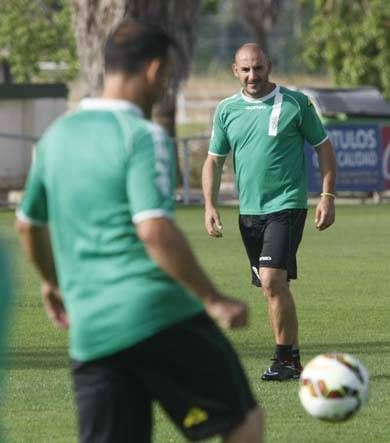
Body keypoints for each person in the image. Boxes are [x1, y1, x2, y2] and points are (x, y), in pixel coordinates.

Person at [16, 22, 263, 442]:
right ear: (154, 70)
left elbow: (28, 224)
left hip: (92, 331)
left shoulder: (55, 138)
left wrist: (52, 282)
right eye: (166, 77)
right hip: (156, 315)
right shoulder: (142, 137)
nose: (164, 87)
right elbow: (153, 230)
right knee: (242, 420)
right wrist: (213, 299)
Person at [202, 43, 337, 382]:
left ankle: (284, 360)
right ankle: (290, 358)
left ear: (269, 66)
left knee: (273, 279)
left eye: (258, 68)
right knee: (271, 287)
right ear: (235, 71)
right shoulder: (226, 110)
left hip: (287, 206)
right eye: (245, 69)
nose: (252, 75)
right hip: (249, 213)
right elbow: (214, 160)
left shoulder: (296, 103)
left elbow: (324, 148)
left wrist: (327, 196)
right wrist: (209, 204)